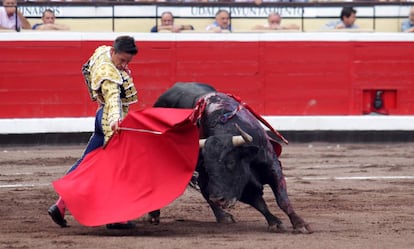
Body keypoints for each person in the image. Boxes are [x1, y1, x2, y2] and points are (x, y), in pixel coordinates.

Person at [48, 35, 139, 230]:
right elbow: (114, 98)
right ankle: (116, 218)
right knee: (116, 169)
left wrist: (96, 97)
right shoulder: (109, 73)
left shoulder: (102, 51)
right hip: (110, 122)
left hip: (100, 115)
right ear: (113, 52)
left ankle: (61, 204)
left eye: (128, 62)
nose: (123, 66)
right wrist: (115, 120)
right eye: (122, 60)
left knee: (87, 162)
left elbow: (86, 68)